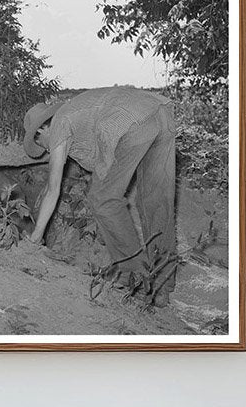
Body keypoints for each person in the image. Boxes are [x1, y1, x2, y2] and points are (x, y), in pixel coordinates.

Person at [22, 85, 178, 296]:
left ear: (42, 130)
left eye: (42, 144)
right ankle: (162, 285)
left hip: (129, 121)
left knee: (102, 199)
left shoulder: (60, 122)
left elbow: (53, 188)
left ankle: (134, 276)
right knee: (156, 200)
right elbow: (100, 160)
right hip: (160, 111)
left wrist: (36, 236)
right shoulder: (78, 113)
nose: (47, 149)